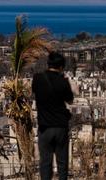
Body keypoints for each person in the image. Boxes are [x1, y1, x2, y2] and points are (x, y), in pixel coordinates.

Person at [32, 52, 74, 180]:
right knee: (62, 163)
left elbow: (34, 93)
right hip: (60, 127)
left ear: (48, 64)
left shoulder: (37, 79)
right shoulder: (63, 81)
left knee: (45, 162)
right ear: (61, 66)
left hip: (44, 127)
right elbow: (70, 100)